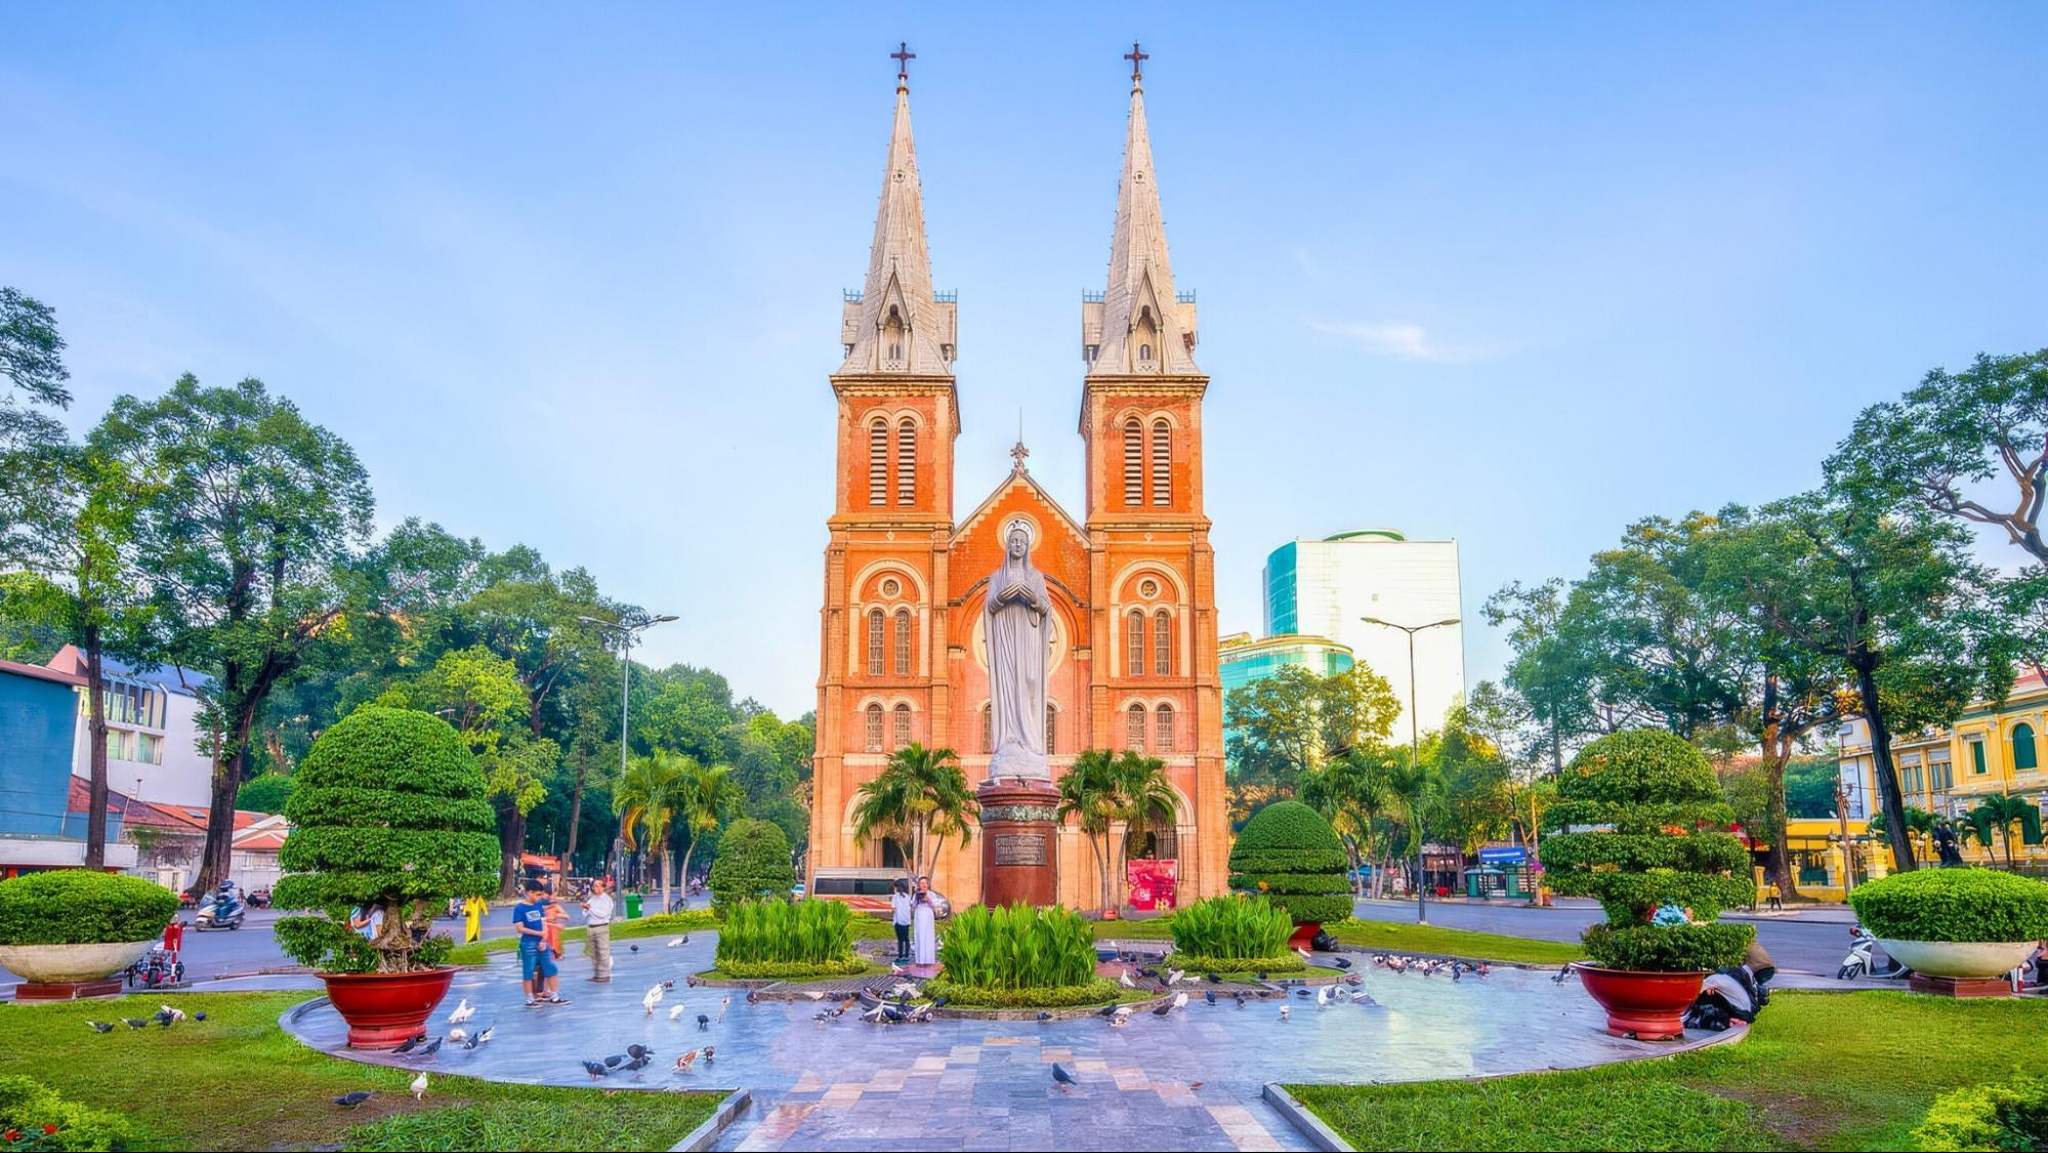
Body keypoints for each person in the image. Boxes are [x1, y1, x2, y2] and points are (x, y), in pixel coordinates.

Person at [511, 878, 567, 1007]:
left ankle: (555, 996)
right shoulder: (519, 908)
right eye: (537, 894)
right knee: (529, 971)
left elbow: (543, 922)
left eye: (541, 894)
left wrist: (543, 938)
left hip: (542, 943)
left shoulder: (538, 905)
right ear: (528, 892)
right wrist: (538, 934)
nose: (539, 897)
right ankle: (530, 999)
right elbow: (520, 928)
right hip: (528, 943)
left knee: (550, 968)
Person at [581, 876, 615, 983]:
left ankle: (604, 975)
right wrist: (586, 909)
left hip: (602, 926)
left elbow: (602, 914)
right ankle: (597, 974)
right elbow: (585, 914)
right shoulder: (592, 899)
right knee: (593, 953)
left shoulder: (607, 900)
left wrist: (590, 908)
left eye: (599, 886)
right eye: (595, 886)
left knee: (603, 952)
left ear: (603, 887)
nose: (596, 888)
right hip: (591, 926)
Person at [910, 875, 938, 967]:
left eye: (925, 883)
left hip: (928, 914)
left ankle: (928, 960)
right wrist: (917, 898)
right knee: (920, 935)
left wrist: (929, 900)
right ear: (919, 885)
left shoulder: (932, 894)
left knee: (928, 936)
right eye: (921, 883)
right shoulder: (916, 894)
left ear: (928, 884)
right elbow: (913, 906)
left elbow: (936, 906)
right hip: (919, 914)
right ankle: (920, 960)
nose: (924, 885)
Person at [890, 877, 913, 962]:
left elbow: (894, 909)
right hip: (906, 920)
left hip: (898, 920)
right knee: (906, 938)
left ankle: (900, 956)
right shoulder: (907, 897)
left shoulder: (895, 897)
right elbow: (910, 907)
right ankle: (907, 955)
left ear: (896, 888)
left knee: (900, 939)